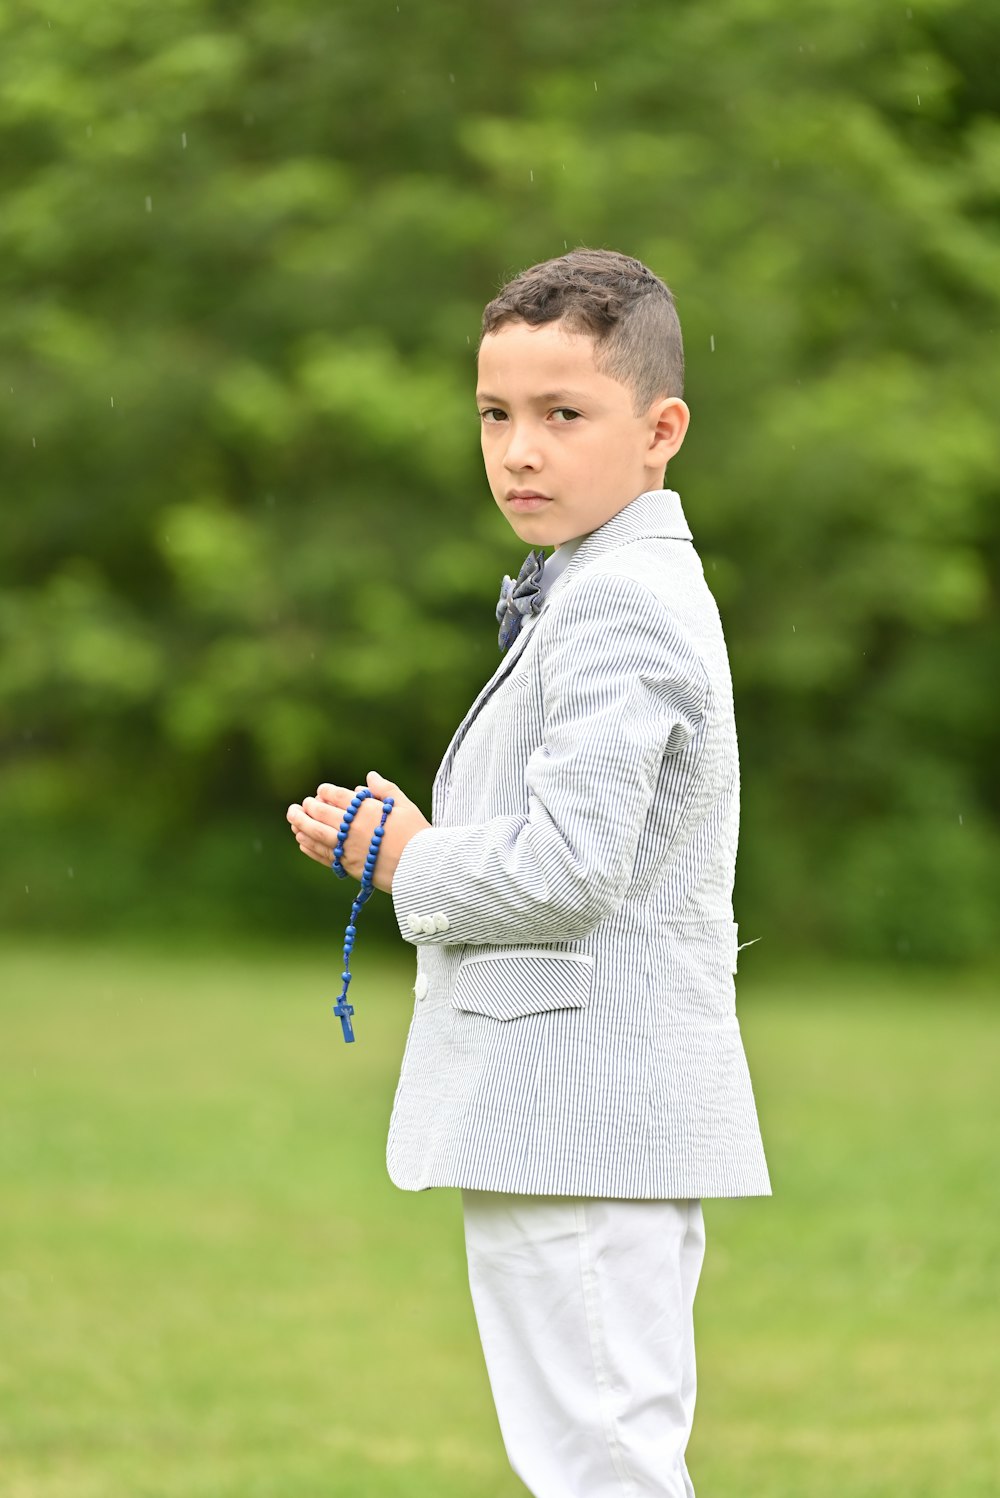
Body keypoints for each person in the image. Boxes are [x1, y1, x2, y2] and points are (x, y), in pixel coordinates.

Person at [286, 248, 770, 1498]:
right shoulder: (594, 584)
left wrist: (408, 861)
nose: (519, 451)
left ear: (661, 429)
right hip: (565, 1124)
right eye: (496, 414)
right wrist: (427, 831)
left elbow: (569, 870)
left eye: (564, 415)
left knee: (602, 1468)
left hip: (588, 1118)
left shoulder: (623, 599)